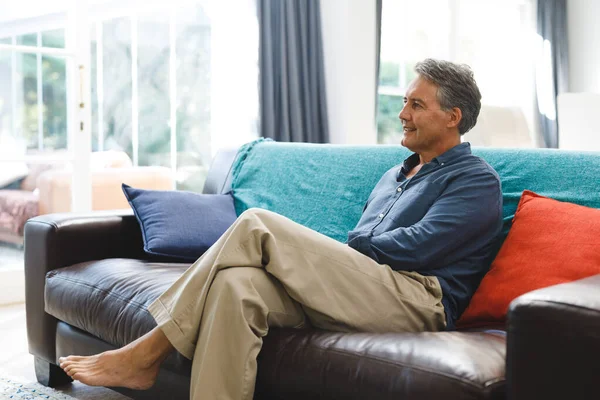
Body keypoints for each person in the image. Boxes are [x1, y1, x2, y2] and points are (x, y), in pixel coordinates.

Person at [58, 58, 503, 399]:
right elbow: (367, 249)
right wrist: (350, 251)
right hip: (368, 289)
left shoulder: (475, 180)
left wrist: (353, 246)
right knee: (237, 285)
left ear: (453, 117)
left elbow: (417, 249)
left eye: (417, 104)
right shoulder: (395, 174)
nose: (403, 112)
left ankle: (146, 352)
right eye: (405, 101)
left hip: (419, 300)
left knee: (256, 225)